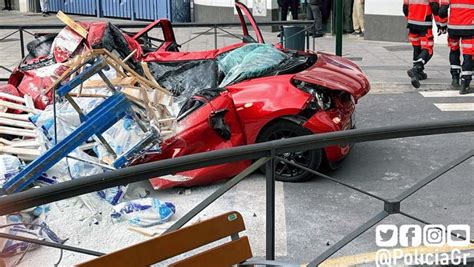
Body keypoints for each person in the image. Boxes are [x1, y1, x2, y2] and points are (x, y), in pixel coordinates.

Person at [403, 0, 446, 88]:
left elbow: (405, 8)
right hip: (424, 23)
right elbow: (434, 7)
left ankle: (419, 73)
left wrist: (409, 19)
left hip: (412, 23)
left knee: (416, 47)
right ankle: (416, 68)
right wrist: (440, 24)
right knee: (428, 49)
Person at [440, 0, 474, 94]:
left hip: (453, 28)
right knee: (469, 54)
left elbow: (442, 11)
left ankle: (455, 79)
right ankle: (465, 84)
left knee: (454, 50)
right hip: (469, 28)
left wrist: (442, 25)